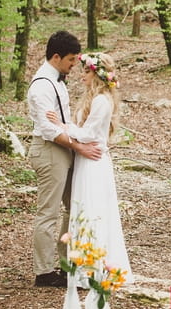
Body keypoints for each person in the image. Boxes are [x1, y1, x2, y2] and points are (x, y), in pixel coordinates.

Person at [46, 51, 133, 287]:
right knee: (82, 211)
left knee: (94, 212)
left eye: (86, 71)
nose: (81, 75)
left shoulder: (102, 100)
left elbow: (89, 135)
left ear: (97, 75)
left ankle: (95, 269)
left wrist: (61, 125)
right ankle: (84, 266)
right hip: (85, 161)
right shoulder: (92, 99)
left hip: (94, 163)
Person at [27, 31, 102, 288]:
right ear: (56, 57)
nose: (73, 66)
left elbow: (64, 121)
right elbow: (50, 130)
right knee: (48, 212)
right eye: (70, 60)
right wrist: (80, 148)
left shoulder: (58, 81)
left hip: (66, 147)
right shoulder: (40, 86)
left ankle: (67, 264)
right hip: (49, 151)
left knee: (74, 208)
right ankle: (44, 272)